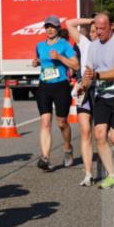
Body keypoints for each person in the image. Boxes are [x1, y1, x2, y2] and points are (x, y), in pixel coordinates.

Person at [81, 11, 114, 189]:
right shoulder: (93, 46)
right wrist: (83, 86)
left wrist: (97, 75)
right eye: (96, 28)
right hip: (101, 95)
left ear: (111, 26)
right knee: (100, 135)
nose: (99, 32)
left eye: (102, 28)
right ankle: (113, 175)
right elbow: (88, 72)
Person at [33, 15, 78, 170]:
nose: (50, 29)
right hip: (44, 86)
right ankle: (45, 157)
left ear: (58, 28)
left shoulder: (64, 45)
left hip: (61, 86)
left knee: (62, 123)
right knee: (45, 122)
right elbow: (41, 59)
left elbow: (76, 65)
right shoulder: (39, 45)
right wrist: (37, 62)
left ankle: (67, 148)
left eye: (53, 26)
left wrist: (59, 57)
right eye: (47, 27)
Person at [66, 17, 98, 186]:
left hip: (101, 91)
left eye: (98, 30)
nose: (94, 34)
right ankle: (88, 174)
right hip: (83, 90)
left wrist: (105, 22)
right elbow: (69, 23)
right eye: (92, 31)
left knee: (101, 134)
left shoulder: (110, 44)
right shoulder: (85, 43)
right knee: (85, 131)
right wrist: (92, 19)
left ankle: (106, 168)